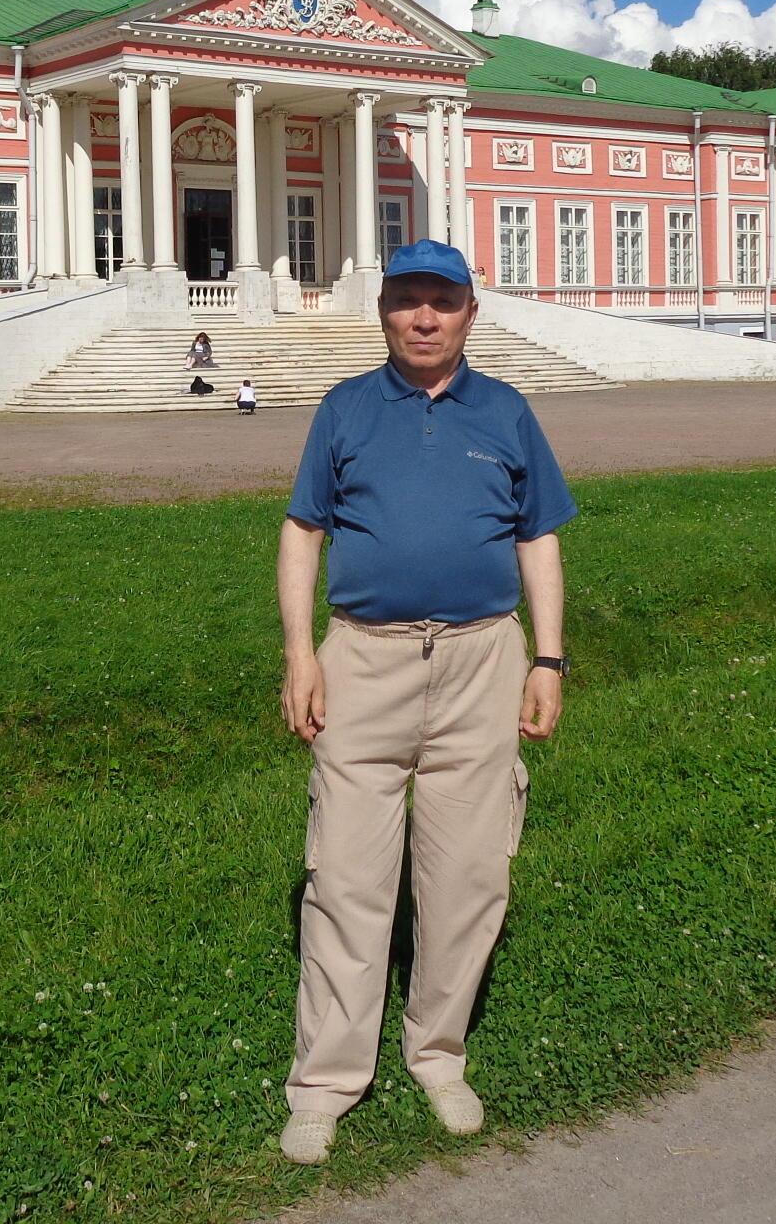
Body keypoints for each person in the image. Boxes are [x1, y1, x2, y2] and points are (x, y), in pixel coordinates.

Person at [276, 239, 574, 1167]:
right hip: (365, 662)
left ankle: (438, 1054)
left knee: (469, 873)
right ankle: (326, 1084)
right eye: (407, 300)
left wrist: (550, 659)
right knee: (348, 879)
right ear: (384, 313)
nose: (424, 317)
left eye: (441, 301)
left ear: (470, 313)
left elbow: (539, 541)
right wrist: (299, 656)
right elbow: (301, 533)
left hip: (484, 660)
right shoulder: (345, 409)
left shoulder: (509, 413)